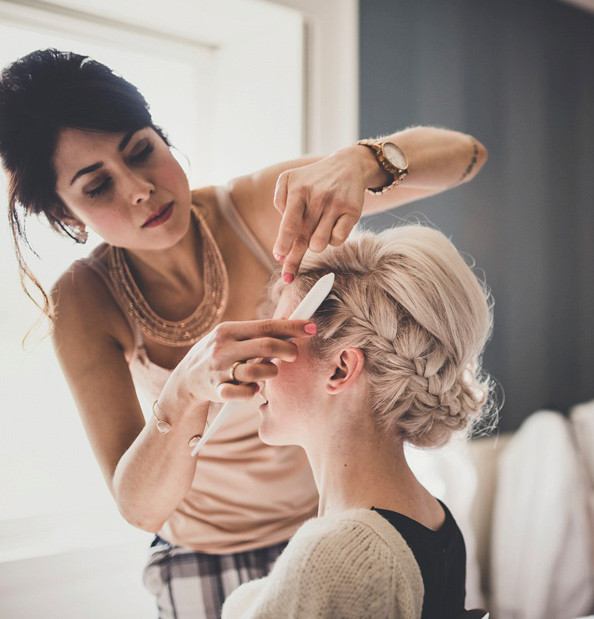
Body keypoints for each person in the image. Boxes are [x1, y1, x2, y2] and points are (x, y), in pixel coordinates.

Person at [0, 48, 487, 619]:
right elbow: (140, 507)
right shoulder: (85, 303)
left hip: (327, 528)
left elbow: (468, 157)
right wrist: (182, 393)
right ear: (66, 216)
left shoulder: (260, 208)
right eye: (97, 186)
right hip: (200, 557)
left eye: (142, 151)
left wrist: (363, 162)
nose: (139, 189)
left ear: (161, 136)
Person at [220, 224, 494, 619]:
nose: (254, 367)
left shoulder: (337, 555)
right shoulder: (435, 518)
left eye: (277, 343)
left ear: (340, 368)